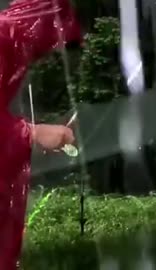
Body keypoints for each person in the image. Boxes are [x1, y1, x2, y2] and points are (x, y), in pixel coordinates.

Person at [0, 0, 83, 269]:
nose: (56, 47)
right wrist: (31, 133)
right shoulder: (4, 40)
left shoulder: (13, 45)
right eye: (57, 34)